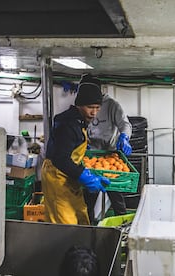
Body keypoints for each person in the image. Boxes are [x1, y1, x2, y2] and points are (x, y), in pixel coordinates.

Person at [41, 81, 110, 225]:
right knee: (65, 223)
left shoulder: (80, 121)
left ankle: (82, 246)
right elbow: (60, 159)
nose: (94, 112)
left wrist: (87, 173)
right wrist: (84, 176)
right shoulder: (67, 124)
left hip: (70, 178)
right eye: (90, 107)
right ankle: (64, 247)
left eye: (97, 108)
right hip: (57, 177)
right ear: (79, 105)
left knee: (81, 217)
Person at [80, 74, 132, 222]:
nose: (94, 110)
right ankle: (88, 226)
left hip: (110, 156)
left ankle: (122, 226)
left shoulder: (111, 105)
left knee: (116, 195)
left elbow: (125, 124)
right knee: (89, 196)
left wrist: (125, 137)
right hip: (91, 157)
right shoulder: (82, 105)